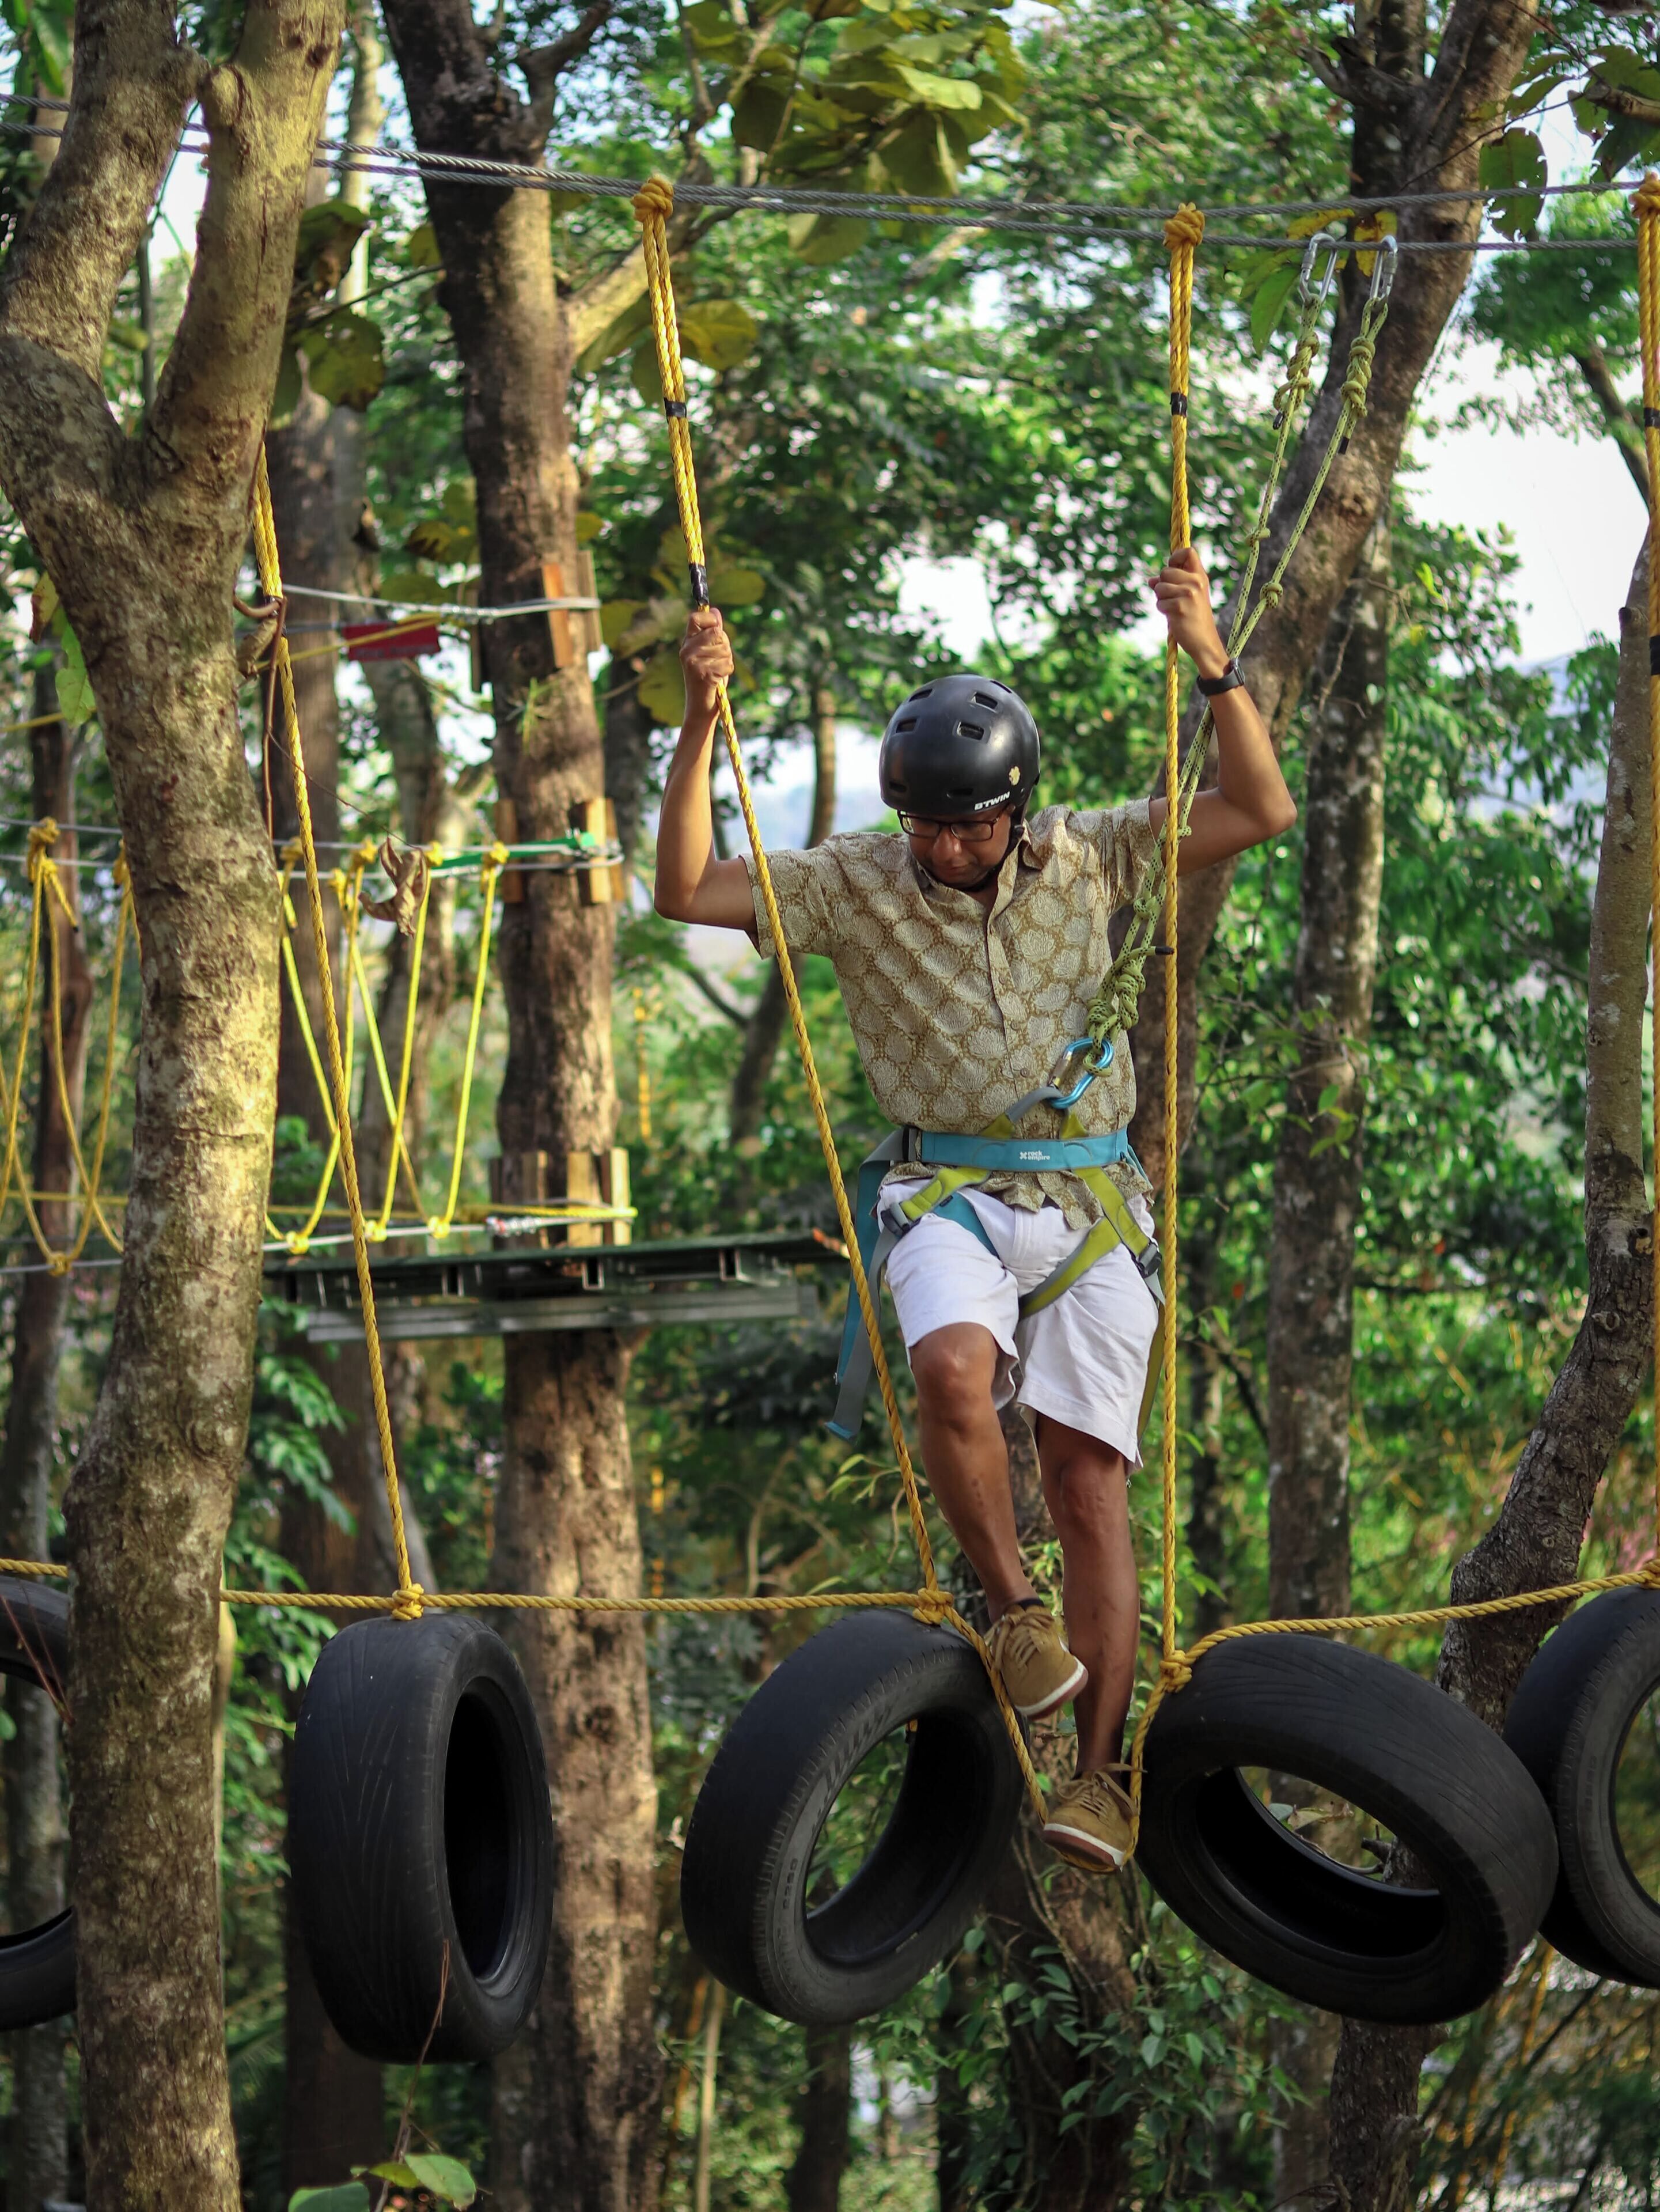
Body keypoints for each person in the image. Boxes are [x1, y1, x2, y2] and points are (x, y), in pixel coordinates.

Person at [654, 547, 1296, 1871]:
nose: (949, 849)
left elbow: (1258, 810)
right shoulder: (855, 883)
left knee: (1088, 1488)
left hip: (1091, 1198)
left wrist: (1212, 660)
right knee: (951, 1371)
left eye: (972, 825)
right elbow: (687, 891)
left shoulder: (1094, 856)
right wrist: (695, 730)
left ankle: (1101, 1780)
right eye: (930, 827)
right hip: (942, 1188)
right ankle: (1013, 1615)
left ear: (1017, 808)